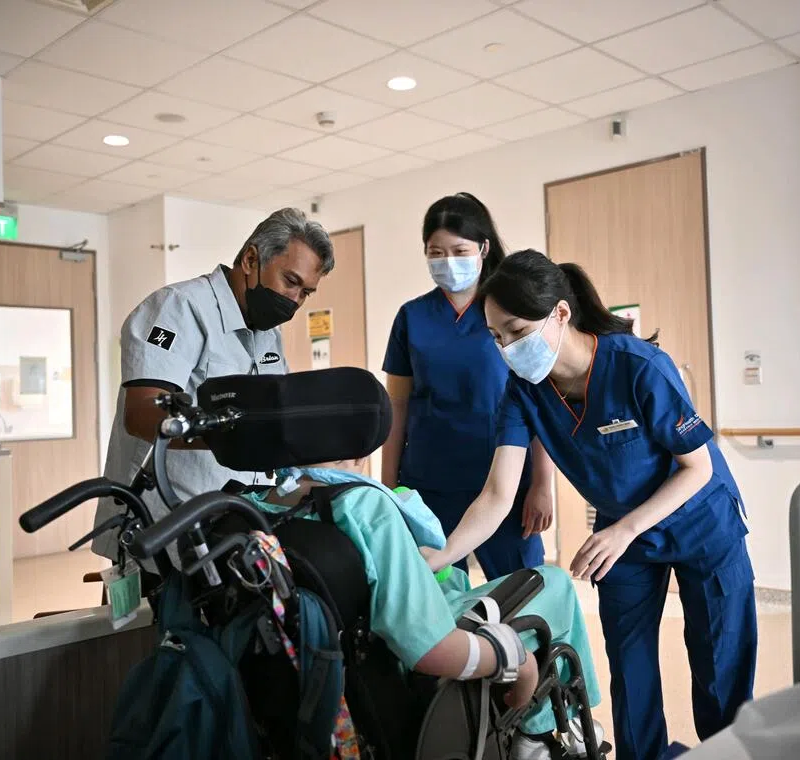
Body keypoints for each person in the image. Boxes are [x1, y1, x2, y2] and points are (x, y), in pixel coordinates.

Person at [423, 250, 758, 760]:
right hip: (622, 535)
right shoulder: (523, 393)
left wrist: (624, 530)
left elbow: (699, 468)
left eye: (515, 330)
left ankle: (730, 754)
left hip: (699, 522)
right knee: (630, 668)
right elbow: (497, 496)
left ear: (560, 312)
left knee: (720, 663)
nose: (508, 348)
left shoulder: (637, 366)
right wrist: (442, 557)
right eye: (496, 337)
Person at [248, 459, 605, 758]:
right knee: (554, 583)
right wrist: (519, 662)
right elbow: (429, 648)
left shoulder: (246, 506)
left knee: (457, 582)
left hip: (317, 676)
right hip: (414, 655)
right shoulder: (361, 505)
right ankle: (540, 733)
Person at [92, 208, 334, 569]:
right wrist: (236, 433)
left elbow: (275, 416)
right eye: (290, 281)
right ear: (251, 259)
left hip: (228, 529)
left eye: (306, 293)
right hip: (158, 527)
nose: (295, 300)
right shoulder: (180, 308)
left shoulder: (268, 335)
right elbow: (141, 413)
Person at [381, 193, 553, 582]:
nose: (447, 261)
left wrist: (542, 483)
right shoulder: (412, 317)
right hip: (429, 484)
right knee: (437, 598)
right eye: (436, 252)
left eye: (459, 250)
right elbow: (398, 406)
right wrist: (388, 486)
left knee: (522, 593)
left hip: (503, 480)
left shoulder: (510, 312)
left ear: (484, 248)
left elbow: (537, 396)